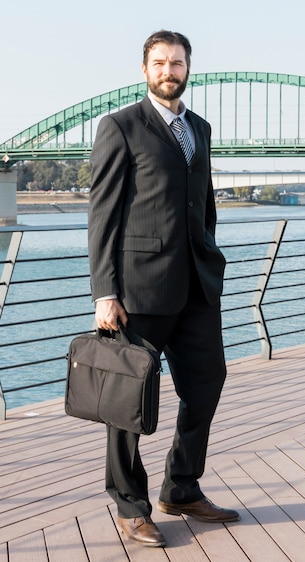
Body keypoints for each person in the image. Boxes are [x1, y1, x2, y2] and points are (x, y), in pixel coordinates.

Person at [88, 30, 240, 548]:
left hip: (197, 285)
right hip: (138, 291)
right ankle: (131, 505)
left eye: (176, 62)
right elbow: (103, 215)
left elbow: (205, 202)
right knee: (127, 399)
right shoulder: (121, 127)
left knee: (207, 382)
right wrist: (105, 292)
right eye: (159, 63)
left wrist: (210, 253)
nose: (168, 70)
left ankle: (181, 486)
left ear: (188, 67)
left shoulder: (199, 128)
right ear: (145, 69)